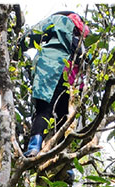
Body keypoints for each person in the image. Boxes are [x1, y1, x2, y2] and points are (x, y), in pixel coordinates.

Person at [22, 11, 89, 158]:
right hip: (72, 81)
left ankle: (34, 148)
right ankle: (61, 157)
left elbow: (34, 33)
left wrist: (18, 47)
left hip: (52, 68)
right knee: (64, 119)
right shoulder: (82, 43)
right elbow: (87, 62)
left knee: (44, 110)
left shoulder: (60, 20)